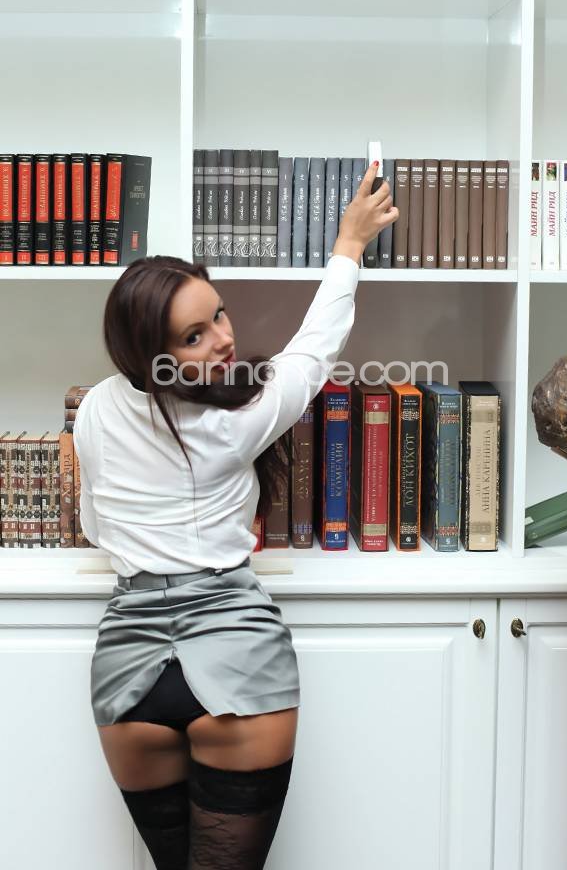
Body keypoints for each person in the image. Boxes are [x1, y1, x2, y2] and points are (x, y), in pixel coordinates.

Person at [73, 160, 398, 870]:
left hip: (126, 673)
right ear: (153, 354)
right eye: (193, 336)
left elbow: (97, 525)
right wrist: (349, 243)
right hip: (237, 657)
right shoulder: (236, 419)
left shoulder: (95, 406)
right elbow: (313, 351)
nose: (222, 338)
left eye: (217, 314)